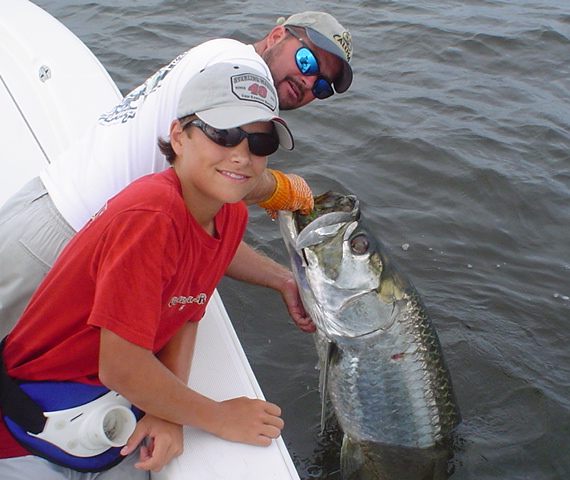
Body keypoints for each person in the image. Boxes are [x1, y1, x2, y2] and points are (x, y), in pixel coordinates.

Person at [0, 60, 311, 478]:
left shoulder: (229, 214)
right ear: (179, 137)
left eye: (259, 141)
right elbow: (122, 366)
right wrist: (217, 416)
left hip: (111, 404)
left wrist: (170, 412)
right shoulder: (150, 218)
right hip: (32, 416)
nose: (241, 155)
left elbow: (187, 310)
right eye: (223, 134)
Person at [0, 11, 354, 337]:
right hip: (60, 240)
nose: (309, 82)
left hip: (50, 214)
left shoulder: (219, 56)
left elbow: (204, 227)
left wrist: (282, 279)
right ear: (277, 35)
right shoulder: (245, 73)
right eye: (306, 60)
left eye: (323, 87)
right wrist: (276, 188)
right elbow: (221, 177)